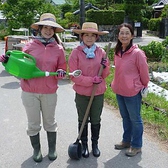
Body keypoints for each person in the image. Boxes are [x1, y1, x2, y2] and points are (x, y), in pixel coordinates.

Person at [20, 13, 66, 162]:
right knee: (33, 123)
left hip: (49, 92)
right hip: (29, 91)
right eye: (45, 27)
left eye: (51, 28)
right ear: (40, 29)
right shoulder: (29, 46)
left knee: (50, 122)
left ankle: (52, 148)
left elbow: (62, 69)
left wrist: (60, 73)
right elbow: (20, 65)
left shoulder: (59, 49)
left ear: (54, 31)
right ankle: (37, 150)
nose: (48, 30)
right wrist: (7, 60)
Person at [68, 22, 110, 158]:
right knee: (83, 119)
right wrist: (91, 80)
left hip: (98, 93)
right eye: (87, 35)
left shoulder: (101, 52)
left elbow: (105, 74)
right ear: (82, 36)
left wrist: (106, 66)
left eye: (93, 35)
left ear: (97, 37)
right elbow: (74, 75)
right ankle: (84, 144)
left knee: (96, 119)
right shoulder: (76, 53)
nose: (90, 38)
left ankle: (95, 145)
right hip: (82, 93)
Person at [110, 23, 149, 157]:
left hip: (133, 92)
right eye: (122, 33)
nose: (124, 35)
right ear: (118, 35)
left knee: (135, 119)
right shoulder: (118, 51)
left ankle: (136, 145)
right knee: (125, 118)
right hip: (120, 91)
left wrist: (143, 86)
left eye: (127, 33)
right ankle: (126, 141)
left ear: (132, 35)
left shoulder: (137, 53)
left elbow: (144, 73)